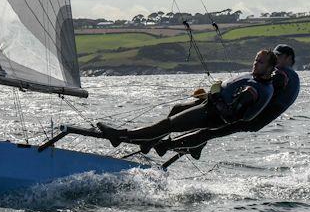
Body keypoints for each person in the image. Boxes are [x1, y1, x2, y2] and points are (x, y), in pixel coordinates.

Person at [97, 49, 278, 148]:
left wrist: (215, 94)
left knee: (168, 125)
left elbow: (230, 116)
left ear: (270, 67)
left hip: (211, 114)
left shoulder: (255, 90)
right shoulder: (257, 78)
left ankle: (120, 136)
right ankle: (149, 142)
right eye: (255, 59)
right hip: (209, 105)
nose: (255, 63)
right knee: (175, 112)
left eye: (260, 62)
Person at [154, 44, 300, 159]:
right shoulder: (295, 80)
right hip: (253, 119)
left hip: (246, 116)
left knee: (205, 131)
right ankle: (189, 146)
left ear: (288, 58)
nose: (274, 60)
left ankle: (159, 144)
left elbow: (276, 80)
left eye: (277, 56)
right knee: (207, 132)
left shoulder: (284, 73)